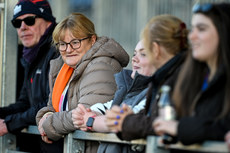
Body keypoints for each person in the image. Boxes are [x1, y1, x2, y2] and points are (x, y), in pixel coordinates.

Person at [36, 13, 129, 153]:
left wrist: (48, 124)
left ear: (92, 40)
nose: (68, 49)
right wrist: (44, 117)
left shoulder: (101, 66)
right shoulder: (67, 69)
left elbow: (84, 114)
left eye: (75, 42)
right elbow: (51, 107)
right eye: (62, 44)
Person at [153, 2, 230, 146]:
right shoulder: (190, 77)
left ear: (223, 32)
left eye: (201, 29)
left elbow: (222, 127)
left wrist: (179, 128)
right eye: (192, 28)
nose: (192, 36)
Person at [105, 14, 188, 143]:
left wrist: (127, 121)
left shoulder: (179, 77)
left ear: (155, 49)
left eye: (144, 52)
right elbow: (151, 117)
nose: (135, 59)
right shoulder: (166, 76)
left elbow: (164, 123)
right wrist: (128, 118)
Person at [0, 0, 57, 152]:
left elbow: (51, 104)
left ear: (48, 21)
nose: (23, 27)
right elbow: (25, 103)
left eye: (29, 20)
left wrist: (9, 124)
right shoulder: (32, 55)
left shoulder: (61, 50)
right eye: (17, 23)